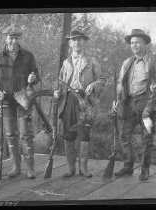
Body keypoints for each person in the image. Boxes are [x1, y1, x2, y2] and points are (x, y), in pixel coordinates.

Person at [0, 24, 40, 179]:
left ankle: (30, 169)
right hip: (6, 100)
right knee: (11, 134)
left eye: (16, 38)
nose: (13, 40)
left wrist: (33, 78)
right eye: (10, 37)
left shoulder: (28, 56)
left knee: (26, 134)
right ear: (5, 38)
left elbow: (36, 75)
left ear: (19, 39)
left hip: (23, 98)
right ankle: (16, 167)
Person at [113, 29, 156, 180]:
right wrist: (116, 99)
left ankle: (145, 169)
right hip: (128, 102)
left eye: (137, 42)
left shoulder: (152, 61)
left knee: (147, 138)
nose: (134, 45)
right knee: (124, 136)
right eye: (132, 43)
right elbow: (120, 83)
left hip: (147, 104)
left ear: (144, 44)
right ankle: (128, 166)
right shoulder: (127, 63)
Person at [54, 30, 105, 178]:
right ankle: (71, 168)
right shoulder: (66, 62)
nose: (76, 42)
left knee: (84, 134)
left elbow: (102, 79)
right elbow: (60, 82)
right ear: (70, 43)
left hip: (85, 100)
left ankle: (83, 168)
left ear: (84, 42)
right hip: (68, 100)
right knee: (68, 134)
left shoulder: (92, 60)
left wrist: (94, 85)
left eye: (79, 39)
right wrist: (58, 93)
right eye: (74, 40)